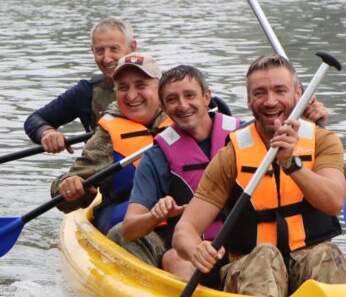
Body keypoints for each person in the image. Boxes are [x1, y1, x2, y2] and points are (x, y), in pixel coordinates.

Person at [172, 54, 346, 297]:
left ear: (297, 95)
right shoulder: (231, 155)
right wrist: (196, 249)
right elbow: (185, 229)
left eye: (280, 90)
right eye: (260, 93)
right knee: (265, 256)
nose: (270, 102)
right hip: (252, 269)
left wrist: (292, 164)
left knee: (328, 254)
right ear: (249, 100)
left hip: (308, 264)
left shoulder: (324, 142)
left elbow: (333, 202)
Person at [121, 65, 241, 280]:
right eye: (172, 99)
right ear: (164, 109)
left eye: (190, 95)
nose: (183, 105)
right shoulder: (156, 157)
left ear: (207, 98)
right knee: (175, 259)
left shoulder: (244, 137)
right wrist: (156, 215)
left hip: (245, 244)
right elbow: (129, 229)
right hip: (191, 252)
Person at [51, 53, 168, 266]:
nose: (132, 95)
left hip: (184, 221)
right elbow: (65, 192)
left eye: (141, 85)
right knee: (123, 233)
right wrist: (67, 186)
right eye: (123, 87)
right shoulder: (107, 136)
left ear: (160, 88)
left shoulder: (183, 118)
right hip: (133, 227)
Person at [25, 18, 137, 153]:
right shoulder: (85, 92)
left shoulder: (159, 86)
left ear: (132, 48)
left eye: (114, 49)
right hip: (99, 168)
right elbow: (34, 119)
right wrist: (47, 133)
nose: (107, 58)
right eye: (100, 51)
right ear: (92, 52)